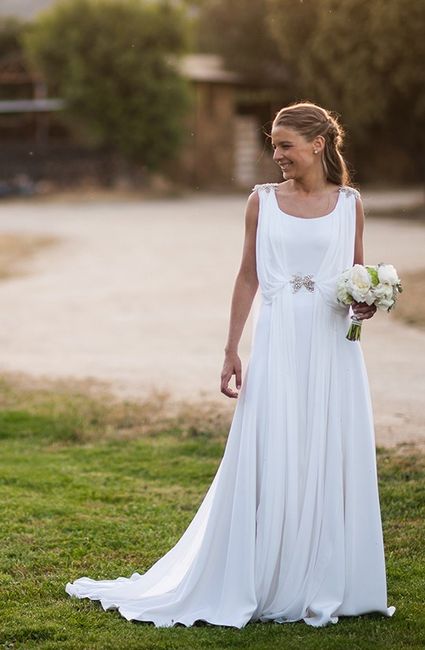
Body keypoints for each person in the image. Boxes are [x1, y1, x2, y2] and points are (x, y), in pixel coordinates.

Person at [66, 101, 396, 628]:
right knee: (273, 446)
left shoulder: (349, 203)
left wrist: (368, 300)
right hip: (279, 340)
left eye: (285, 145)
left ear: (317, 144)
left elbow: (356, 273)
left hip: (334, 346)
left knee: (325, 447)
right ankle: (261, 574)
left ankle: (323, 576)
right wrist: (230, 349)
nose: (277, 155)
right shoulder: (260, 202)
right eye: (273, 145)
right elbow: (248, 277)